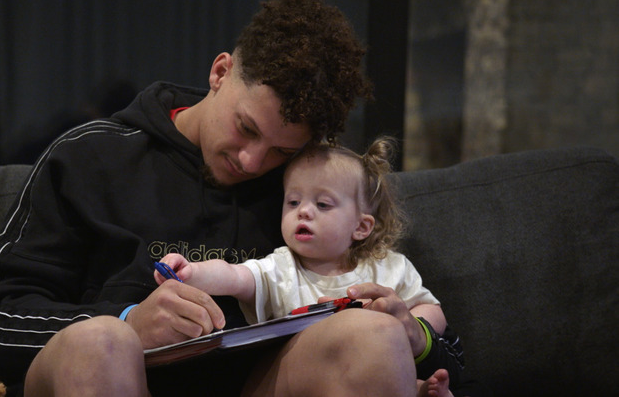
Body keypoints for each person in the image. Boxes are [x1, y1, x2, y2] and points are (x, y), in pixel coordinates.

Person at [0, 0, 479, 396]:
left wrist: (415, 336)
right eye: (247, 128)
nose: (252, 162)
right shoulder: (90, 156)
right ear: (220, 73)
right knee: (100, 343)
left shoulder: (310, 192)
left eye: (281, 151)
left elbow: (450, 359)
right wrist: (124, 320)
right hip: (101, 371)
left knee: (373, 336)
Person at [156, 139, 458, 397]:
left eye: (323, 204)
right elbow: (234, 276)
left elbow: (433, 312)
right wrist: (192, 273)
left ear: (361, 227)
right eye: (293, 201)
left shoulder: (389, 267)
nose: (304, 211)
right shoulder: (282, 267)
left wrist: (409, 325)